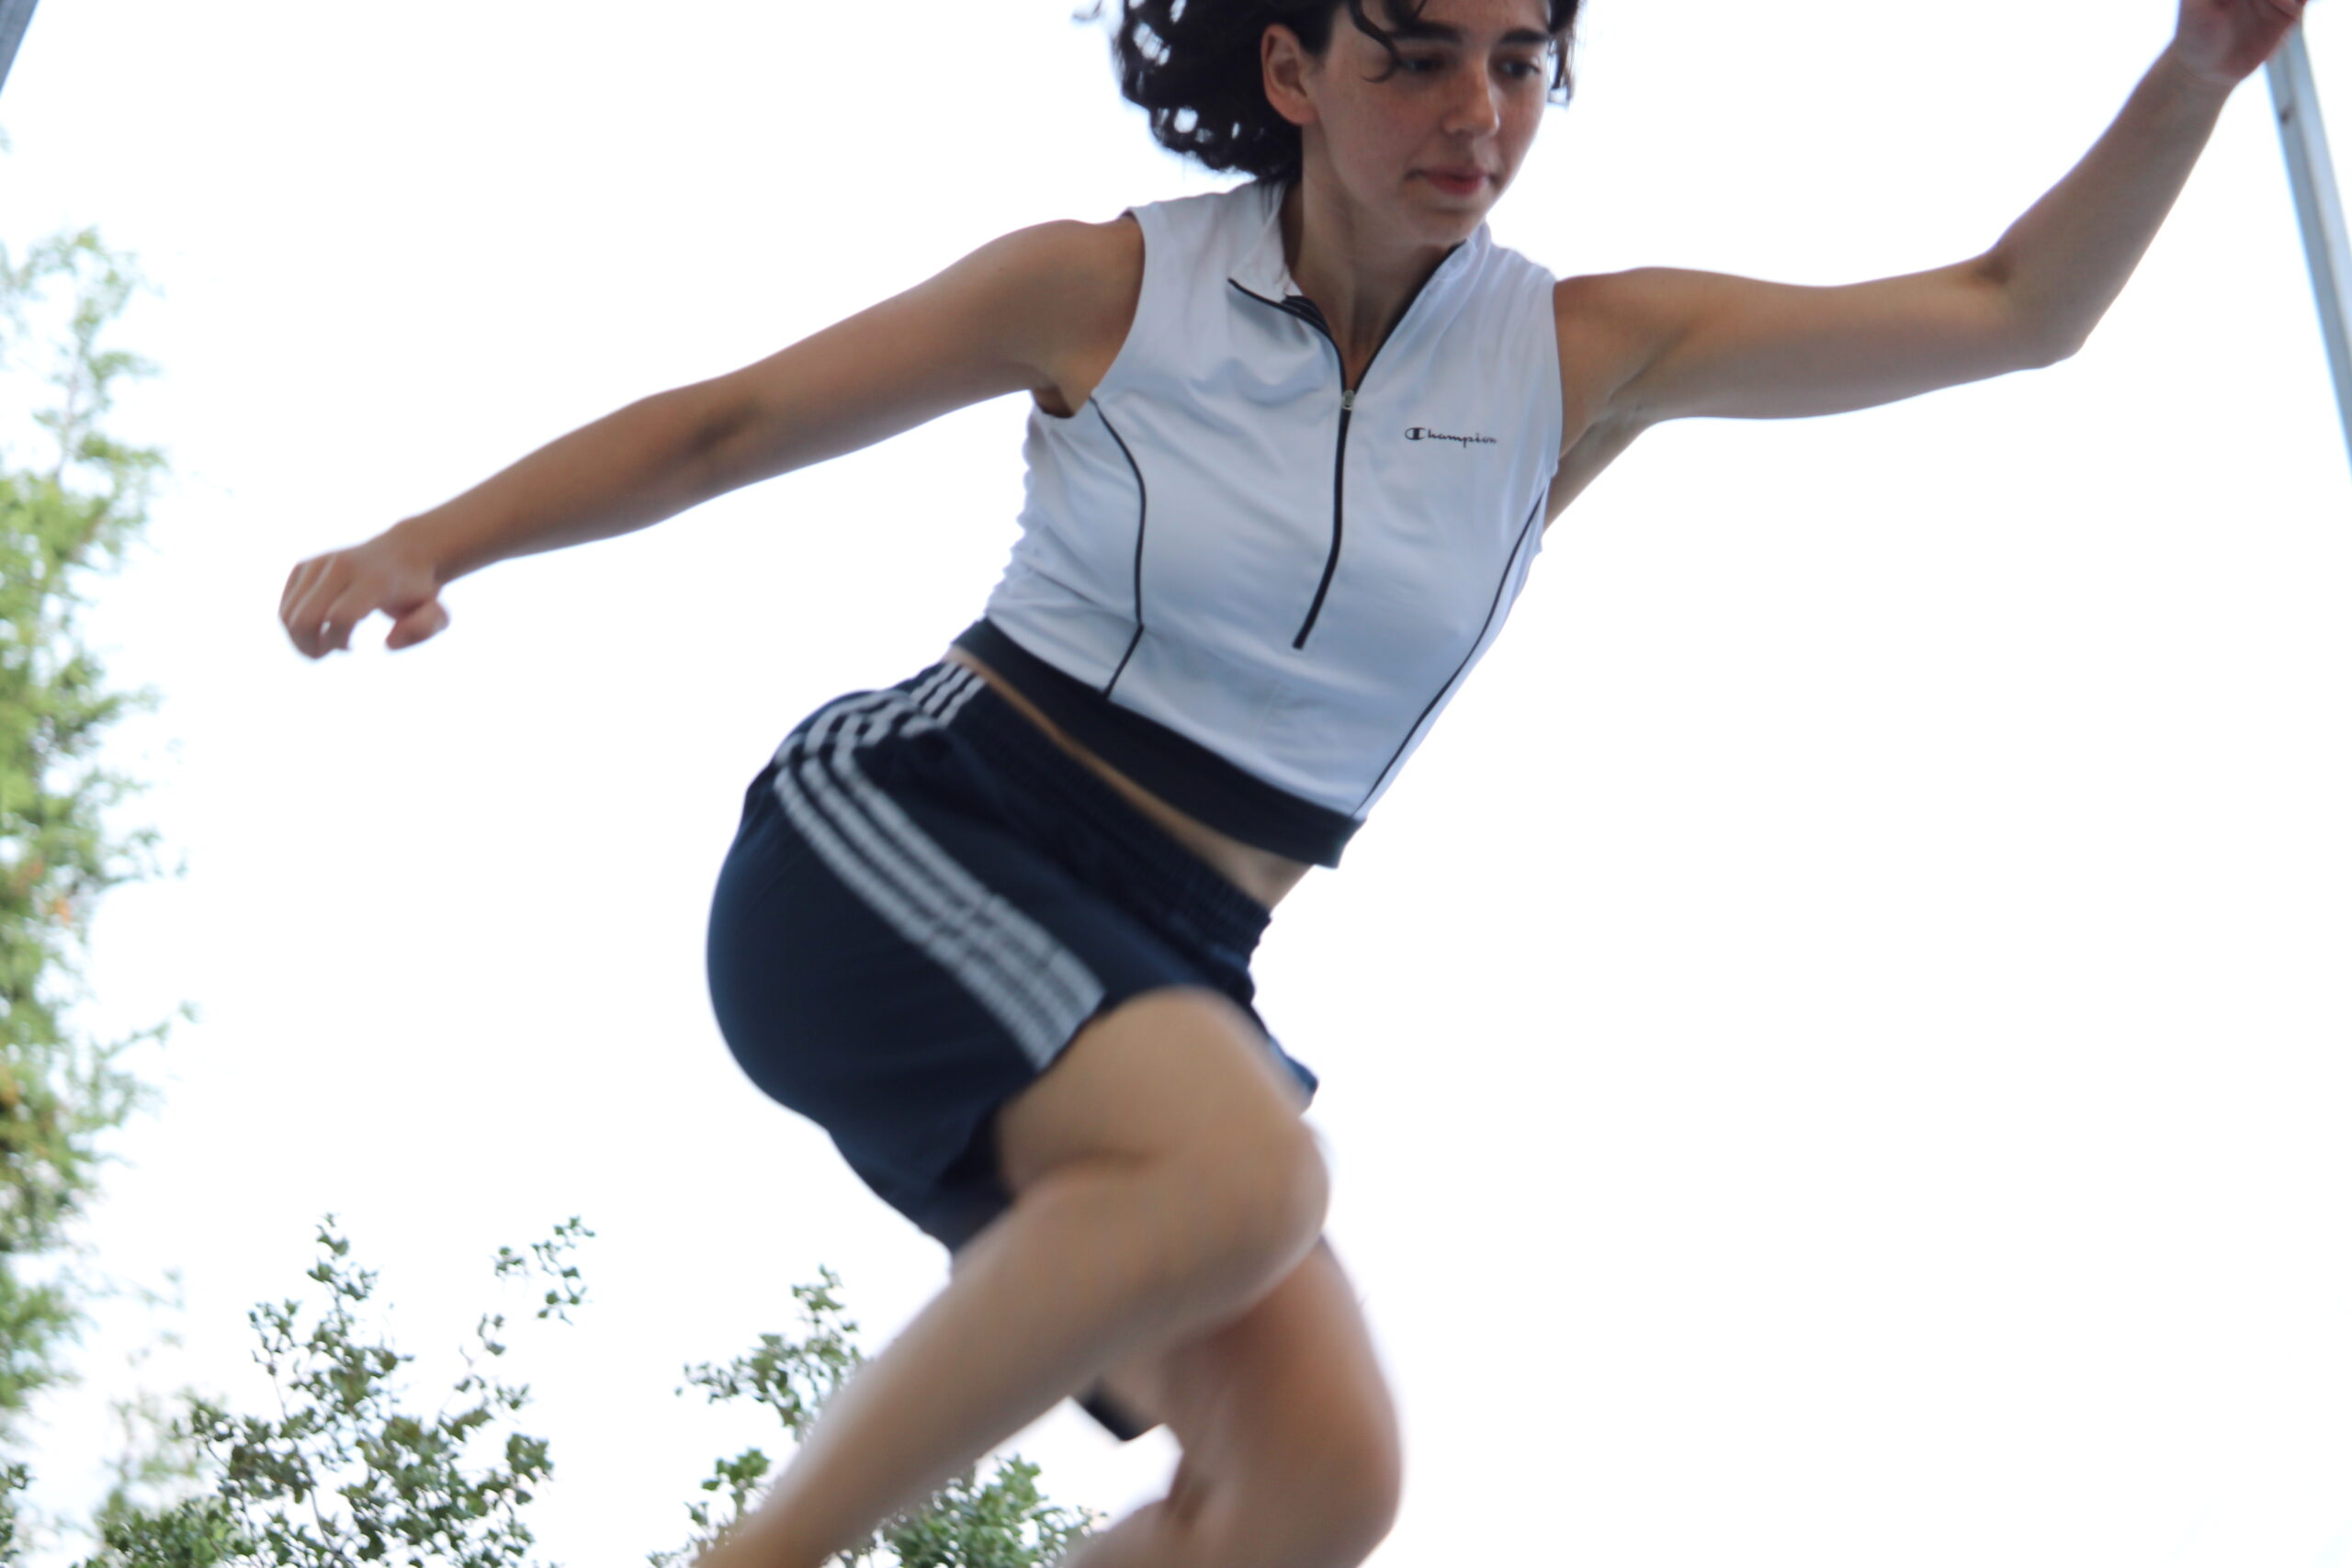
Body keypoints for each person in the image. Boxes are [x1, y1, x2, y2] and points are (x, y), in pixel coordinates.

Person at [278, 1, 2310, 1562]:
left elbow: (2012, 311)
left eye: (1517, 64)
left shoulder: (1575, 358)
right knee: (1247, 1178)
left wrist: (2198, 68)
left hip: (1174, 956)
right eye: (1413, 57)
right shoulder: (1106, 288)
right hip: (915, 831)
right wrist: (431, 540)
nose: (1474, 114)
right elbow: (731, 423)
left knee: (1319, 1479)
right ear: (1293, 69)